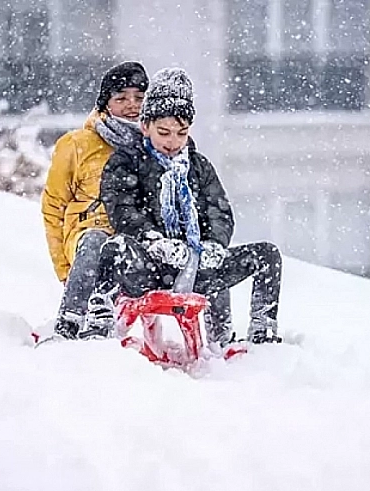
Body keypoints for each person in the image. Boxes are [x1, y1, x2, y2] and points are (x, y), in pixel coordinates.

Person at [93, 68, 283, 344]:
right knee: (113, 247)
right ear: (145, 126)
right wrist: (153, 240)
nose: (172, 142)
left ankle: (262, 333)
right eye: (164, 132)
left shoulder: (199, 167)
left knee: (267, 254)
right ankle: (99, 323)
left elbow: (220, 212)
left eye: (181, 133)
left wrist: (213, 246)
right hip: (150, 267)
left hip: (196, 268)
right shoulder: (126, 161)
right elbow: (122, 209)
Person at [40, 61, 148, 340]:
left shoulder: (155, 144)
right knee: (96, 241)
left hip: (131, 242)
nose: (131, 105)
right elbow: (53, 207)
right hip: (86, 238)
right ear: (105, 103)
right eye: (121, 98)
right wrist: (66, 270)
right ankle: (70, 323)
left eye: (139, 97)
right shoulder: (76, 144)